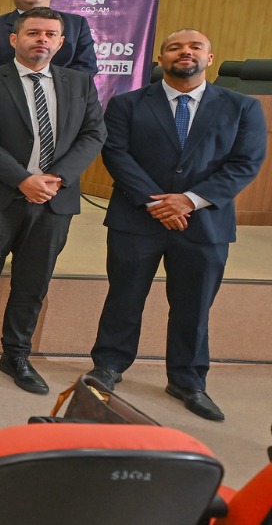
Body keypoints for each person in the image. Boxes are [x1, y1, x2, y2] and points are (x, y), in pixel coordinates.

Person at [88, 29, 266, 422]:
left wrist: (189, 200)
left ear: (209, 57)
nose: (185, 52)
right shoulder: (127, 103)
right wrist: (157, 202)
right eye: (174, 47)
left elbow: (246, 162)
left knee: (194, 306)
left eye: (195, 47)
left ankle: (188, 380)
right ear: (161, 58)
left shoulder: (242, 107)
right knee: (124, 297)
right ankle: (109, 365)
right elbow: (115, 153)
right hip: (137, 218)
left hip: (205, 223)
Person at [0, 8, 105, 393]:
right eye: (33, 32)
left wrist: (57, 178)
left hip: (54, 199)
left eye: (50, 34)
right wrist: (23, 179)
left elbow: (93, 134)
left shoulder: (80, 83)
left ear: (61, 42)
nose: (42, 39)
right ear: (14, 39)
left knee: (32, 282)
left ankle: (16, 354)